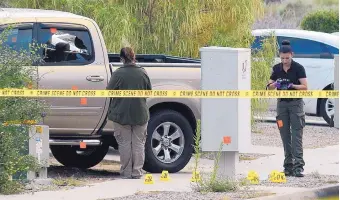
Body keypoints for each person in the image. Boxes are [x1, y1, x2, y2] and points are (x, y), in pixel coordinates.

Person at [106, 47, 152, 179]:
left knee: (125, 143)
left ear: (122, 59)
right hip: (141, 114)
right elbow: (149, 92)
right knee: (138, 143)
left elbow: (109, 92)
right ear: (134, 57)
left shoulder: (118, 73)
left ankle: (126, 172)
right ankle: (137, 172)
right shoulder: (143, 73)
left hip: (121, 115)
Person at [267, 40, 308, 177]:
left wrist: (292, 85)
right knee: (285, 135)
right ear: (280, 56)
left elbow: (305, 87)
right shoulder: (276, 68)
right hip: (282, 105)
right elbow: (269, 86)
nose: (285, 61)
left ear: (292, 55)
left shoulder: (298, 68)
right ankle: (288, 166)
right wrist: (276, 84)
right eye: (282, 58)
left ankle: (298, 167)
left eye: (287, 58)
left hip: (295, 104)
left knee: (296, 135)